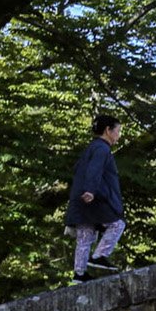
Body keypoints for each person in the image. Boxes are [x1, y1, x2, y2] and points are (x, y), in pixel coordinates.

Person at [65, 115, 125, 284]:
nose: (118, 136)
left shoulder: (90, 149)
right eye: (118, 131)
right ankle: (99, 256)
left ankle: (79, 274)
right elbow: (94, 169)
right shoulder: (101, 149)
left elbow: (79, 169)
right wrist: (90, 190)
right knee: (117, 224)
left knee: (85, 235)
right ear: (108, 130)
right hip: (94, 198)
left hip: (81, 200)